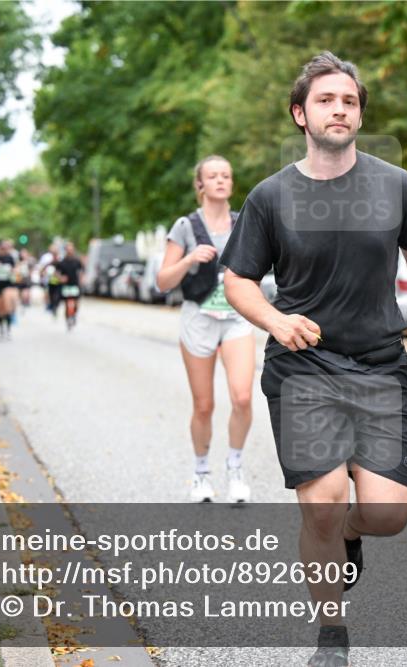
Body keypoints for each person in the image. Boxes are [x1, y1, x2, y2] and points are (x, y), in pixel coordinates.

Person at [219, 52, 407, 666]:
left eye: (348, 100)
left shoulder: (395, 185)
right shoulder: (271, 196)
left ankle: (351, 533)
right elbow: (236, 280)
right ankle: (332, 635)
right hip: (304, 366)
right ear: (301, 114)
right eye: (325, 100)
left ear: (359, 114)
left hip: (380, 364)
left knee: (385, 514)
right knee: (320, 500)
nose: (339, 109)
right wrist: (274, 319)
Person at [156, 155, 255, 504]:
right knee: (204, 405)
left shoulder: (244, 223)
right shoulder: (185, 226)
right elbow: (162, 281)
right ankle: (201, 473)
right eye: (212, 176)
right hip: (198, 318)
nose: (220, 181)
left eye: (226, 175)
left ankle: (235, 466)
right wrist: (188, 259)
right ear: (200, 185)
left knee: (242, 397)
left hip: (236, 318)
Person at [0, 239, 18, 340]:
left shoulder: (10, 258)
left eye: (7, 247)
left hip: (8, 285)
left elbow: (15, 270)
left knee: (8, 307)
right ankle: (1, 329)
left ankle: (8, 329)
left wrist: (13, 271)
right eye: (3, 247)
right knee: (0, 310)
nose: (5, 249)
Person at [55, 242, 83, 330]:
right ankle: (68, 319)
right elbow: (56, 273)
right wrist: (61, 278)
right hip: (66, 285)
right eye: (68, 249)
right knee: (67, 304)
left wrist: (82, 279)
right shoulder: (62, 262)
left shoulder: (77, 261)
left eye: (71, 249)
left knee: (76, 304)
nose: (70, 251)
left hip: (75, 284)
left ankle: (74, 315)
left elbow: (82, 270)